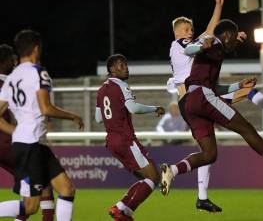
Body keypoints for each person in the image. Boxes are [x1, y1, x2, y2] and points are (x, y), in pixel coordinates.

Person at [168, 0, 263, 213]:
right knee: (244, 120)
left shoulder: (198, 48)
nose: (191, 32)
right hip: (197, 94)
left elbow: (210, 34)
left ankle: (195, 191)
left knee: (209, 151)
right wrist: (226, 37)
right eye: (187, 29)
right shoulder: (182, 45)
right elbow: (207, 36)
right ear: (177, 32)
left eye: (192, 29)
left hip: (200, 95)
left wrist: (219, 9)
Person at [0, 30, 83, 221]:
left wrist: (16, 130)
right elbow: (46, 108)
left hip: (31, 144)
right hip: (30, 147)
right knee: (30, 207)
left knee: (67, 189)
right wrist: (72, 116)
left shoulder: (12, 79)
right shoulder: (38, 72)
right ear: (36, 49)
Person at [95, 54, 165, 221]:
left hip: (111, 142)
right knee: (153, 178)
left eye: (126, 64)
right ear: (111, 69)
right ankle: (121, 209)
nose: (126, 68)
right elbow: (132, 107)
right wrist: (154, 108)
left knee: (144, 179)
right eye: (121, 65)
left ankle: (124, 213)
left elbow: (98, 118)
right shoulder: (121, 85)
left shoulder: (101, 90)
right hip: (125, 139)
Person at [0, 44, 56, 221]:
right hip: (8, 145)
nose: (15, 63)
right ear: (6, 62)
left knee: (38, 189)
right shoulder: (9, 83)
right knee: (35, 198)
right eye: (13, 60)